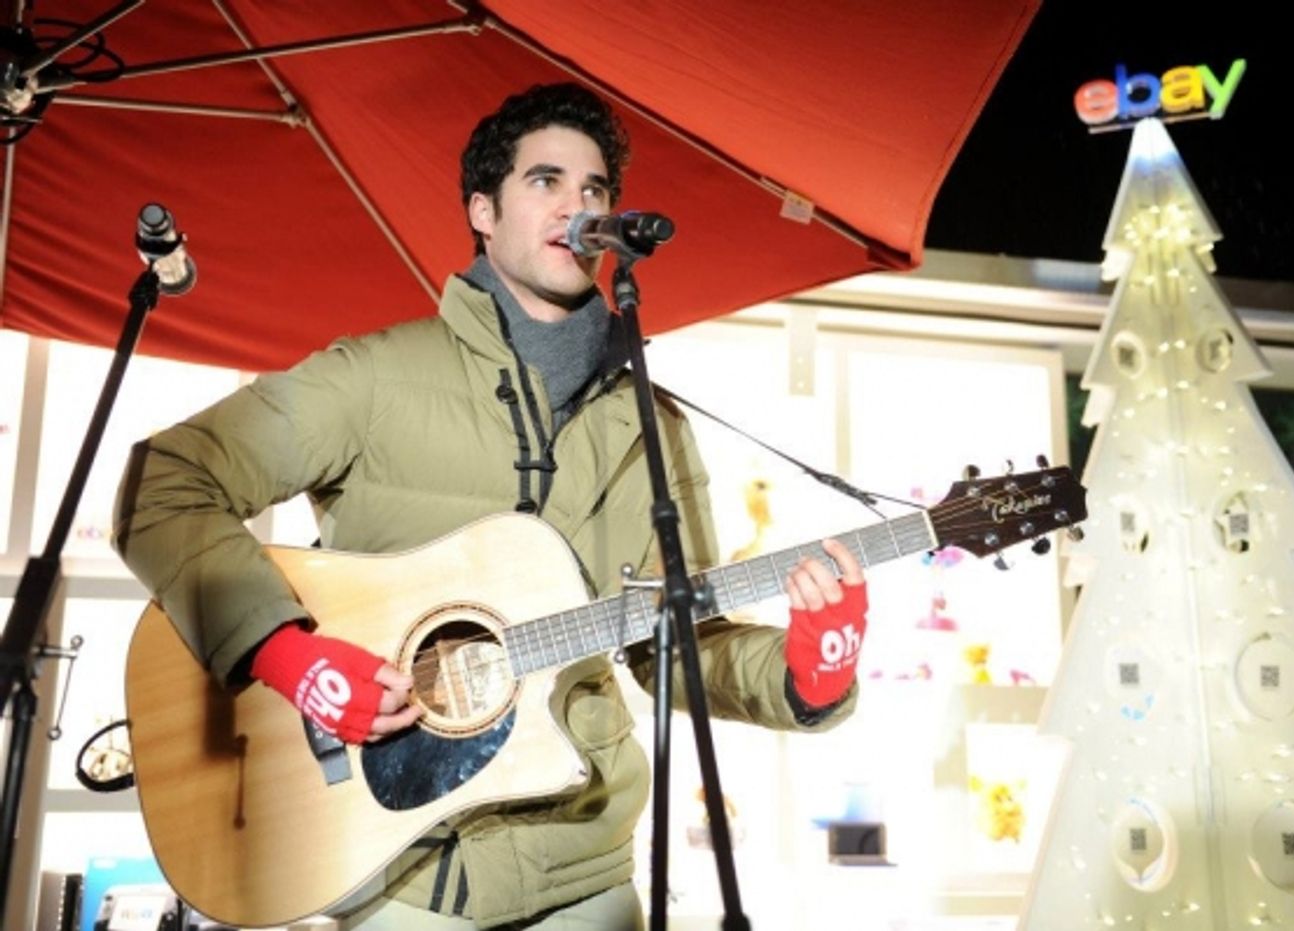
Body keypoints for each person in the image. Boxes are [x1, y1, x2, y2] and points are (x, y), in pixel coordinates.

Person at [113, 82, 868, 930]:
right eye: (546, 181)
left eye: (594, 191)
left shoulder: (650, 424)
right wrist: (291, 658)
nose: (576, 206)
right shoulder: (375, 376)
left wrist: (812, 672)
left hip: (587, 871)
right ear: (483, 208)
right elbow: (164, 483)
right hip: (404, 872)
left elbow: (675, 642)